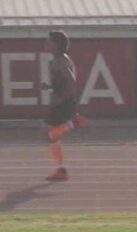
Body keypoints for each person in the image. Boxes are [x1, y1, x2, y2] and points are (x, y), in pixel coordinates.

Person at [42, 30, 88, 181]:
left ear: (56, 44)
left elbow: (70, 80)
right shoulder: (59, 59)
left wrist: (61, 98)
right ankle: (61, 170)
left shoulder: (60, 60)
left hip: (63, 102)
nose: (46, 43)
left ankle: (73, 123)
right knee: (52, 135)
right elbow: (64, 82)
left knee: (51, 135)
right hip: (63, 101)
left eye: (49, 41)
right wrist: (50, 87)